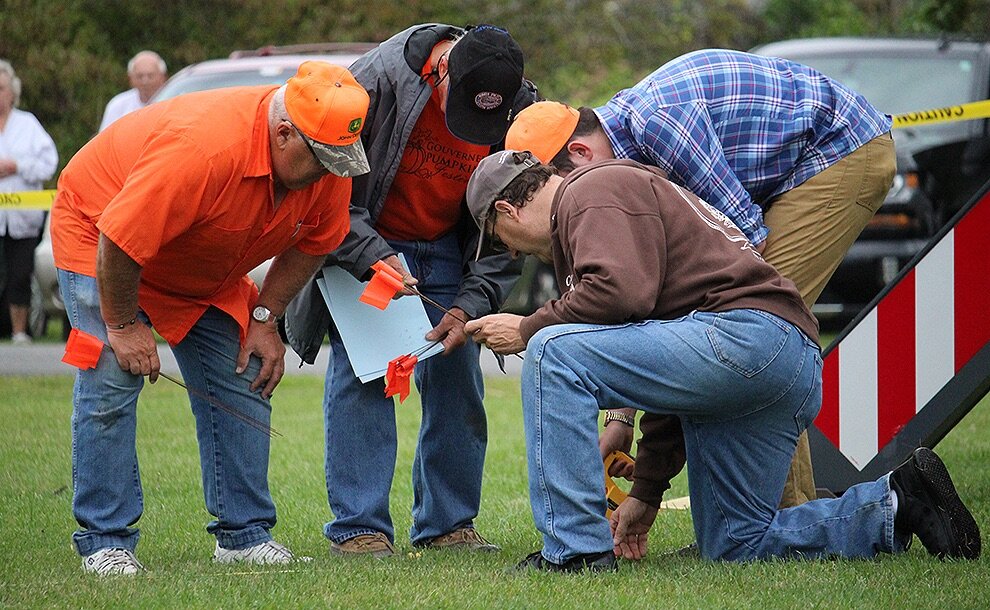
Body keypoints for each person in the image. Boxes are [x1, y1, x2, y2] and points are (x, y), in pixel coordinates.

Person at [462, 150, 981, 571]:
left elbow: (622, 296)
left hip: (746, 340)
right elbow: (666, 356)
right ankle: (895, 504)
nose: (511, 254)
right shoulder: (609, 195)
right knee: (736, 542)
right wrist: (645, 491)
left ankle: (575, 553)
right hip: (778, 361)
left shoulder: (588, 191)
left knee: (554, 352)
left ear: (506, 211)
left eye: (500, 241)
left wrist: (528, 327)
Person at [505, 49, 897, 509]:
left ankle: (784, 518)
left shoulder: (657, 126)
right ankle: (776, 514)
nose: (564, 208)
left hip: (840, 152)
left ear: (580, 152)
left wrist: (647, 483)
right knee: (728, 327)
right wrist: (622, 414)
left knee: (761, 321)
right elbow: (655, 310)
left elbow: (743, 246)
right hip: (790, 171)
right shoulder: (626, 162)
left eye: (560, 187)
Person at [51, 61, 371, 575]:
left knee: (245, 374)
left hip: (198, 261)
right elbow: (119, 236)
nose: (333, 174)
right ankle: (104, 542)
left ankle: (243, 537)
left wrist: (266, 319)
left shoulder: (327, 162)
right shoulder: (204, 150)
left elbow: (317, 242)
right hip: (101, 235)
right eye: (323, 161)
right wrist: (123, 324)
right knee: (111, 380)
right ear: (284, 132)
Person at [283, 23, 539, 558]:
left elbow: (507, 228)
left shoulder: (519, 111)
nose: (472, 129)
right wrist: (370, 254)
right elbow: (328, 195)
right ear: (441, 70)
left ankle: (448, 527)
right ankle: (359, 530)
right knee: (365, 377)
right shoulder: (373, 83)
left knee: (458, 378)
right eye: (463, 110)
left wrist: (471, 303)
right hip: (368, 235)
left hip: (450, 247)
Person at [0, 59, 58, 344]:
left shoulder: (28, 125)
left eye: (0, 89)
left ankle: (19, 331)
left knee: (20, 275)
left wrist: (17, 166)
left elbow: (49, 163)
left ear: (12, 92)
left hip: (23, 218)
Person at [98, 50, 167, 131]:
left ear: (163, 77)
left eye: (150, 76)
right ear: (130, 78)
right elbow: (106, 138)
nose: (145, 81)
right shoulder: (117, 105)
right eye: (139, 76)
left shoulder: (171, 102)